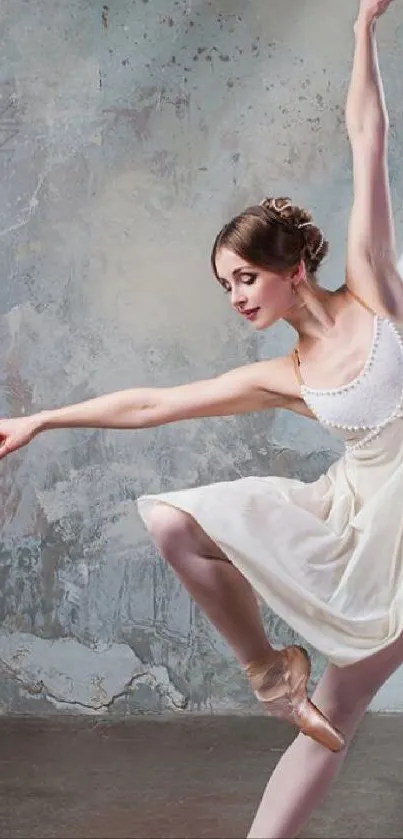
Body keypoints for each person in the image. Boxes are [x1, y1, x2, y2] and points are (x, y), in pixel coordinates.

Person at [1, 0, 402, 834]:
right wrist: (43, 420)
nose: (235, 297)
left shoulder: (373, 289)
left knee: (341, 709)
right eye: (225, 286)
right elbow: (152, 403)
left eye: (243, 278)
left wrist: (362, 30)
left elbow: (368, 140)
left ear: (291, 266)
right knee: (171, 520)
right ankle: (268, 673)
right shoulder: (284, 375)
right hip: (367, 525)